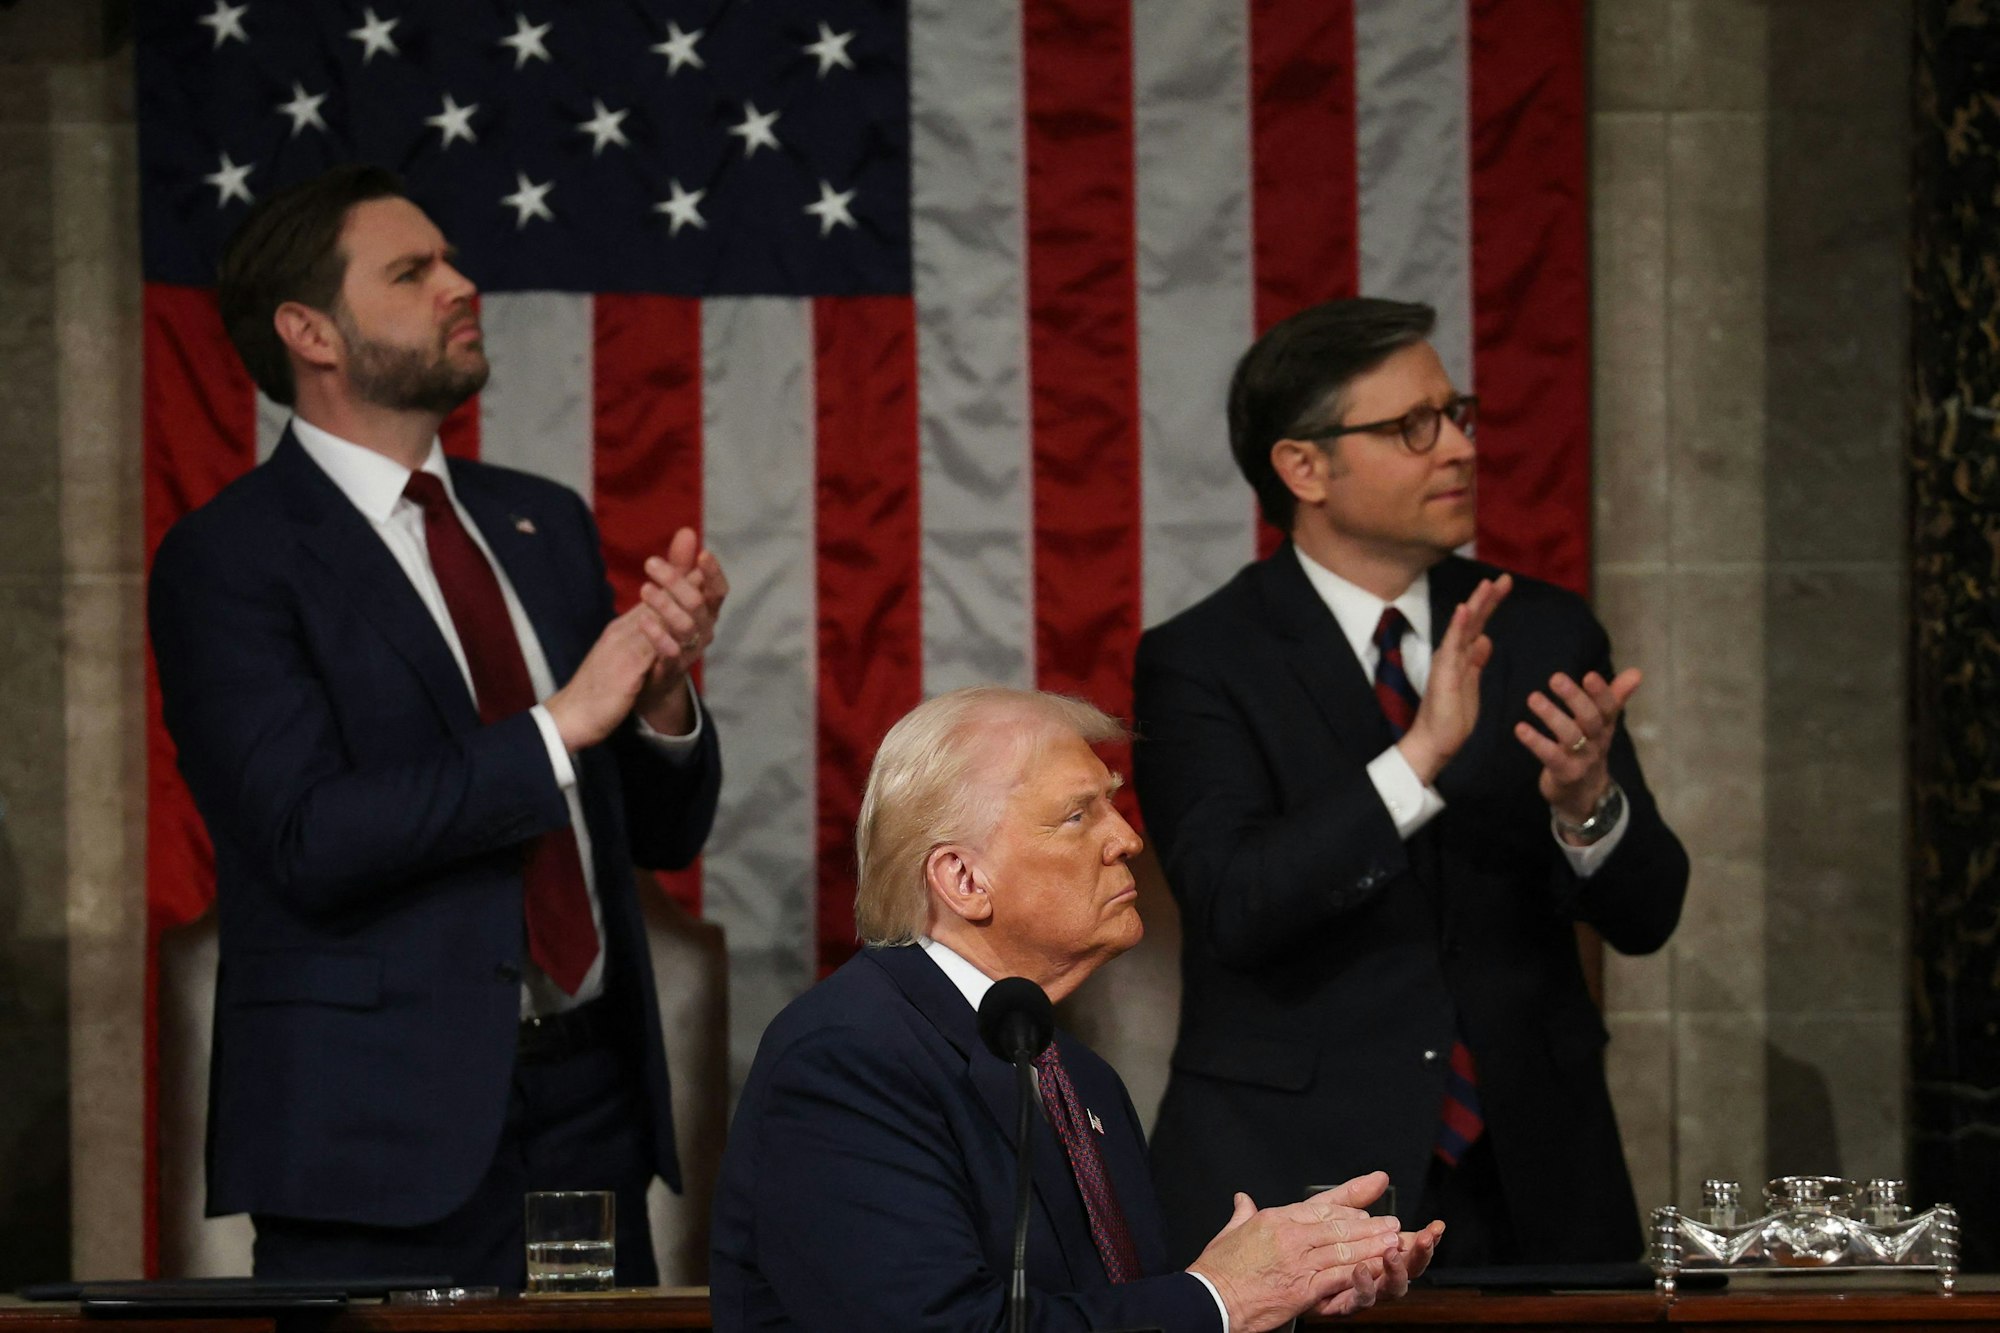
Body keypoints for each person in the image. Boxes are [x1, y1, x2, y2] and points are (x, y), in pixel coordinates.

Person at [148, 165, 725, 1286]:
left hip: (591, 1111)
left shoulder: (540, 522)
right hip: (375, 1138)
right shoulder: (231, 558)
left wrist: (658, 697)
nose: (461, 285)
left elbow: (657, 834)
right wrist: (559, 723)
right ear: (308, 330)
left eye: (451, 261)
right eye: (413, 272)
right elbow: (307, 838)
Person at [1134, 298, 1689, 1269]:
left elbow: (1646, 915)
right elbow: (1232, 900)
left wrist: (1585, 808)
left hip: (1535, 1181)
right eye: (1410, 428)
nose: (1458, 450)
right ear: (1302, 467)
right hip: (1292, 1179)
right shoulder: (1202, 659)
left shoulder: (1543, 630)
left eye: (1457, 413)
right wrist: (1415, 759)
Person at [711, 687, 1442, 1332]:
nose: (1127, 838)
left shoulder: (1081, 1079)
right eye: (1077, 814)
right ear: (963, 878)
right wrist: (1216, 1298)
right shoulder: (848, 1058)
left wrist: (1272, 1290)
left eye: (1114, 804)